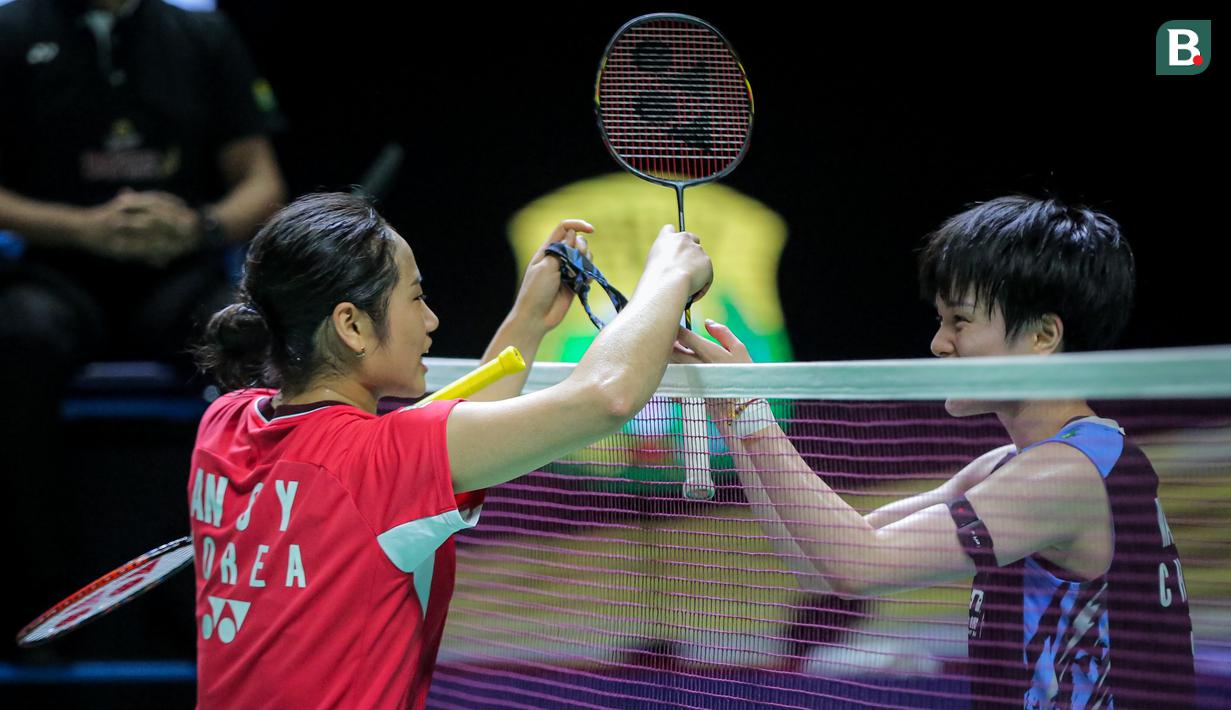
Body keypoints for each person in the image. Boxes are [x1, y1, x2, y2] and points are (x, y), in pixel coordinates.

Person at [187, 192, 710, 708]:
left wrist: (528, 319)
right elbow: (605, 397)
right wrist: (668, 275)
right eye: (416, 298)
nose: (432, 320)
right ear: (352, 326)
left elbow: (431, 448)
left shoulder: (223, 425)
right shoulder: (376, 459)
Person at [674, 196, 1195, 708]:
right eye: (941, 320)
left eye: (960, 321)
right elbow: (819, 563)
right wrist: (733, 419)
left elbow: (858, 565)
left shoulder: (1065, 475)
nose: (938, 344)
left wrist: (751, 411)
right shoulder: (1010, 467)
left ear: (1043, 334)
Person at [0, 0, 285, 657]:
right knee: (16, 340)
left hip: (175, 275)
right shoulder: (11, 33)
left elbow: (261, 182)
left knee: (249, 338)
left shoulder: (202, 33)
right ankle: (45, 603)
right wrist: (81, 229)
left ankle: (222, 595)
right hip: (54, 277)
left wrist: (198, 227)